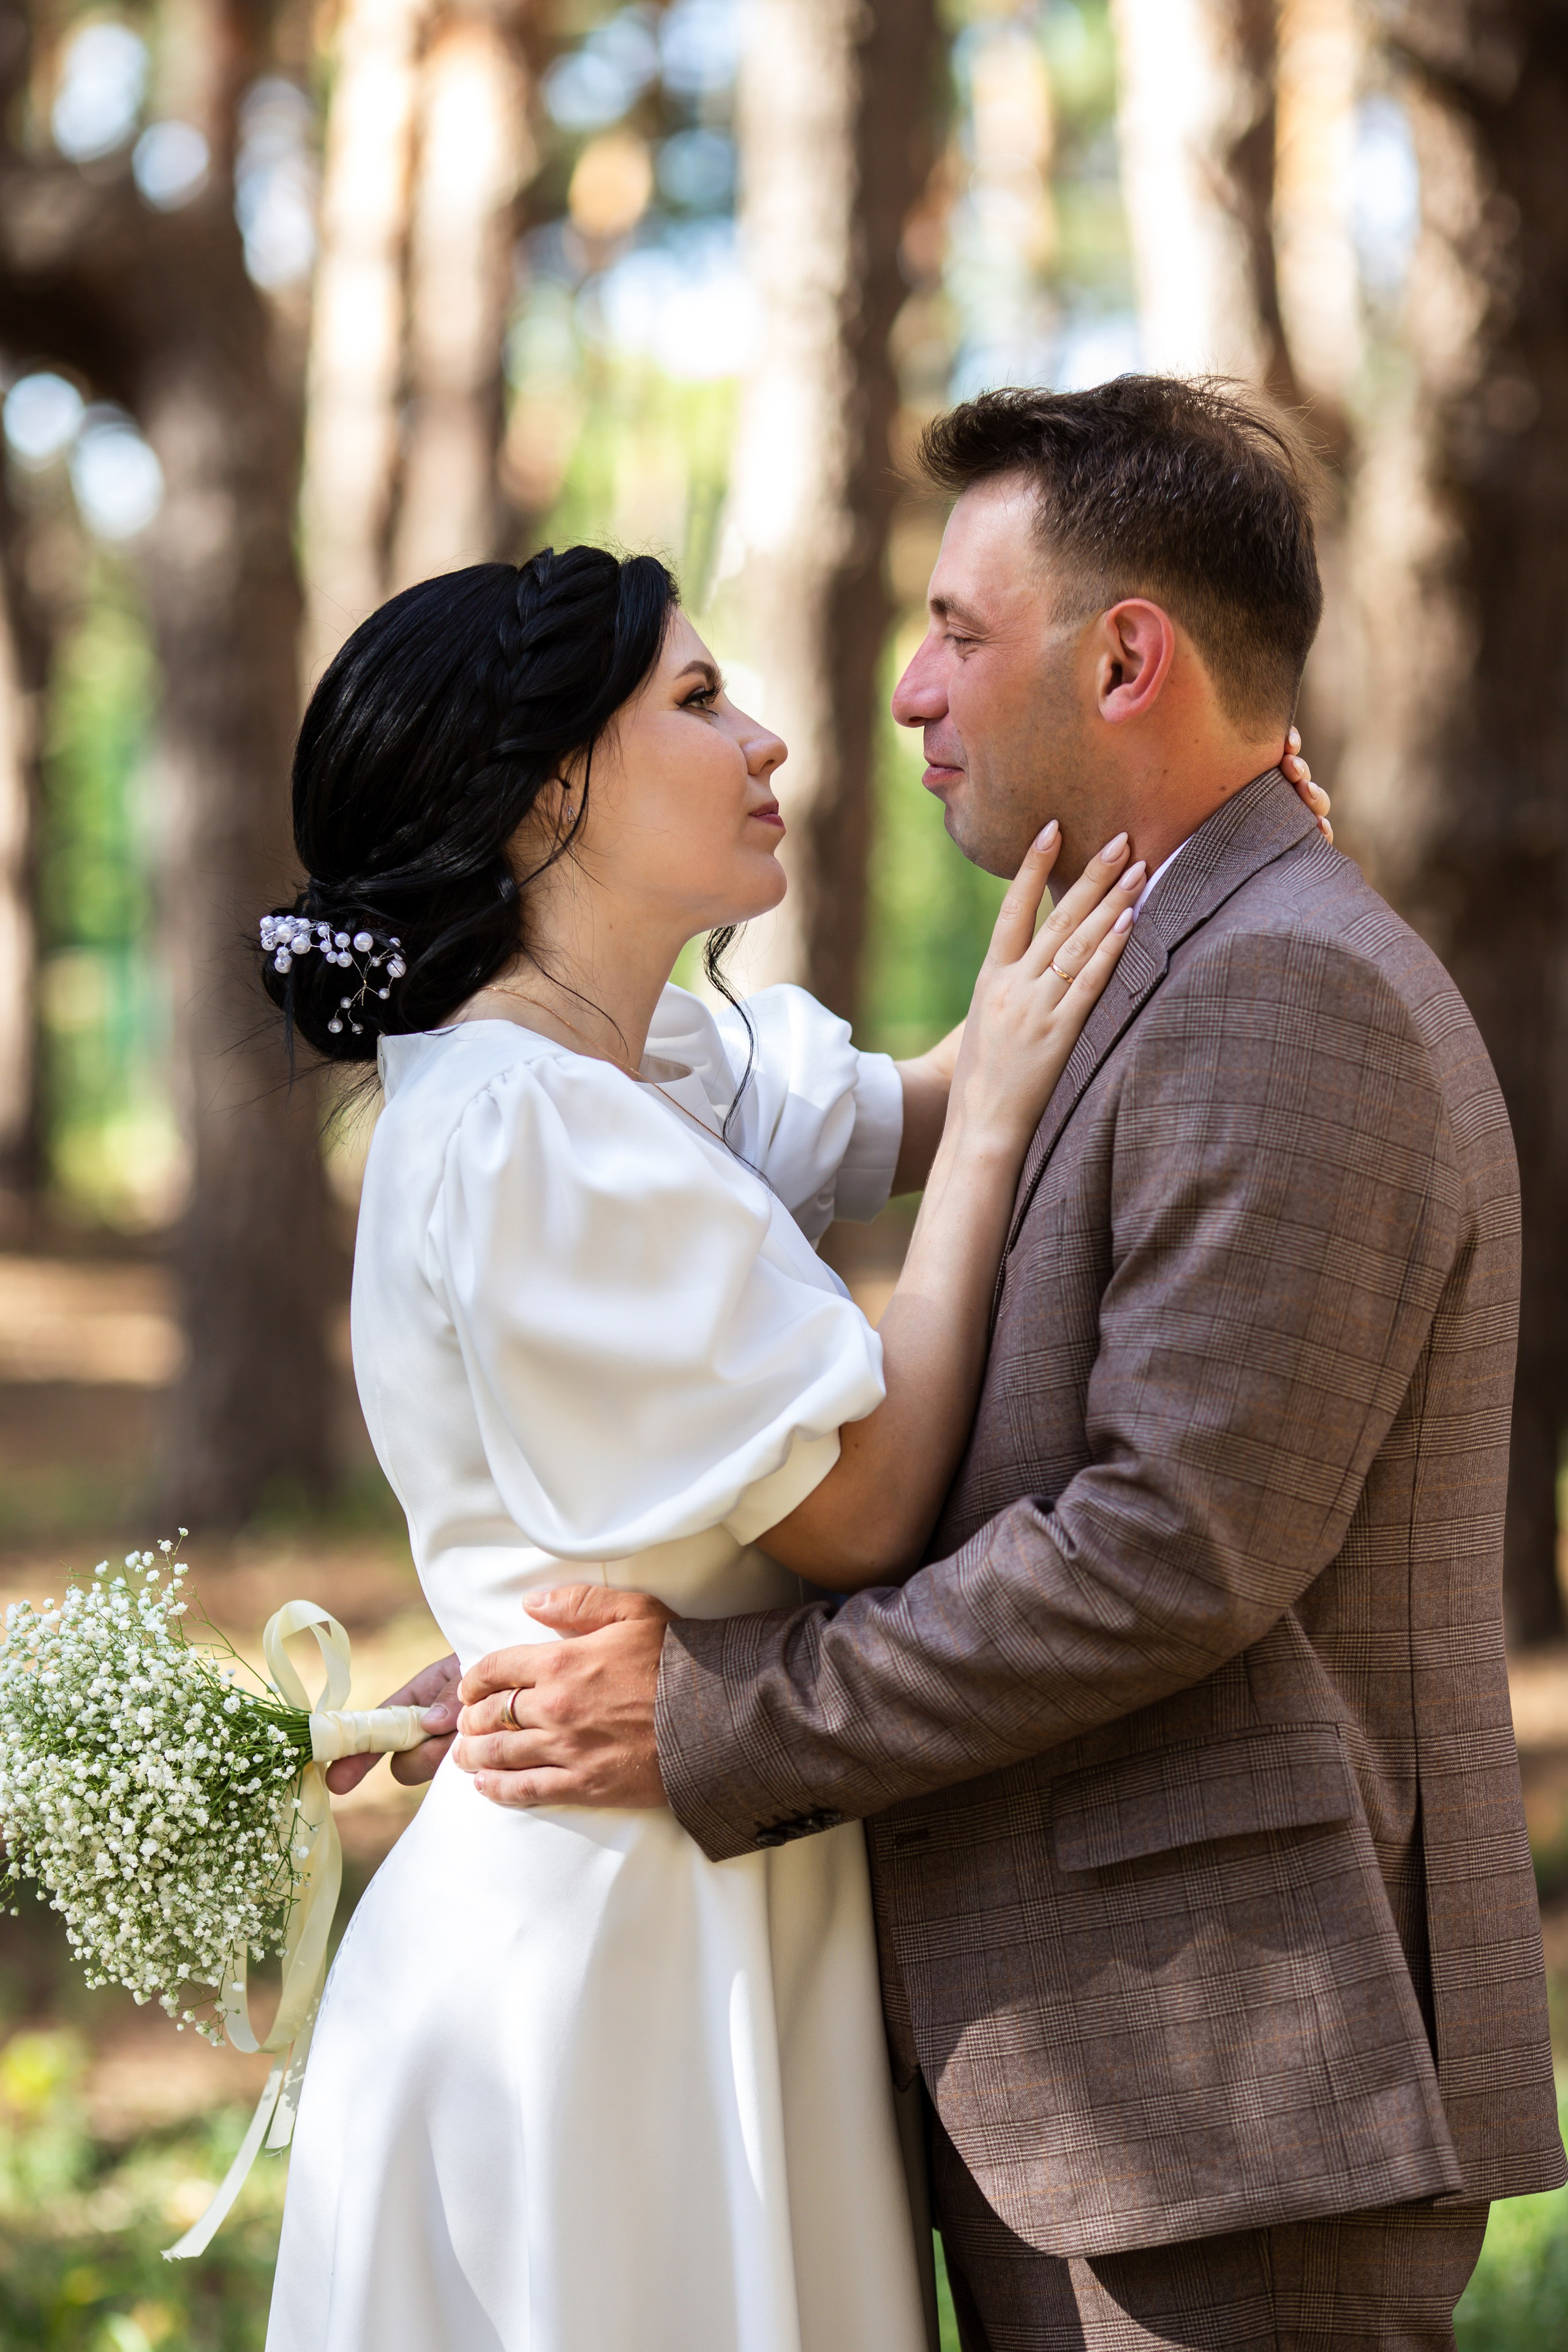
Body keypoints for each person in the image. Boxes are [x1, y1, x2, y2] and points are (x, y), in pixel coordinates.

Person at [425, 380, 1566, 2351]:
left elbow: (1163, 1550)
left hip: (1232, 2104)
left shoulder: (1284, 988)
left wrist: (706, 1709)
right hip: (1094, 2083)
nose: (902, 693)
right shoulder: (1174, 958)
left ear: (1129, 657)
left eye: (960, 631)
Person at [260, 536, 1307, 2352]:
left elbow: (931, 1085)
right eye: (695, 699)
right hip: (611, 1963)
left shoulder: (623, 1073)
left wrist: (1194, 839)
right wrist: (983, 1153)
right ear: (544, 795)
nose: (770, 741)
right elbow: (869, 1502)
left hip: (699, 1874)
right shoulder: (530, 1133)